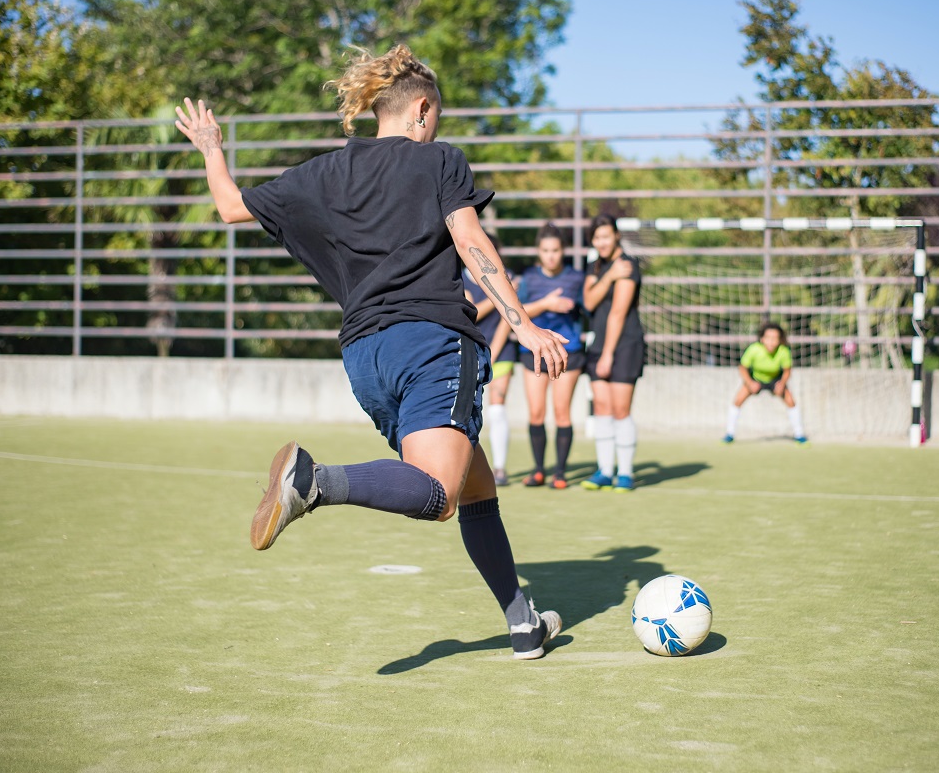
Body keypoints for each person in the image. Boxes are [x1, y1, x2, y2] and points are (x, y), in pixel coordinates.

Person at [173, 45, 566, 660]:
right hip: (432, 342)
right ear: (422, 110)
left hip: (365, 358)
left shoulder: (324, 174)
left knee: (475, 483)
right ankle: (315, 482)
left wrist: (212, 148)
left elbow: (228, 207)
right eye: (436, 117)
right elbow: (469, 239)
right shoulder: (439, 161)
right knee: (438, 492)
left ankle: (523, 622)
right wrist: (525, 324)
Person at [516, 223, 586, 489]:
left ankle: (560, 473)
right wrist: (546, 304)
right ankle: (538, 470)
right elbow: (518, 313)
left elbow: (589, 307)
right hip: (533, 353)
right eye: (546, 250)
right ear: (539, 252)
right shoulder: (530, 278)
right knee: (536, 413)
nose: (551, 255)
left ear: (563, 251)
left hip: (568, 353)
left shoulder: (576, 278)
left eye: (555, 250)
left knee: (562, 413)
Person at [581, 214, 645, 493]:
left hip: (624, 345)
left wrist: (608, 354)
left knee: (620, 410)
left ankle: (626, 473)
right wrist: (608, 276)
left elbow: (618, 313)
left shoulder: (628, 265)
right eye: (597, 237)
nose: (602, 242)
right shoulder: (598, 267)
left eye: (606, 236)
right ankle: (605, 471)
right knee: (602, 409)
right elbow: (589, 301)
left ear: (616, 236)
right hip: (598, 345)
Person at [463, 233, 521, 486]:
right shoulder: (459, 277)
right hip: (471, 351)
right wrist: (500, 294)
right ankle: (464, 468)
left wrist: (494, 350)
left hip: (502, 351)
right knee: (467, 412)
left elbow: (511, 318)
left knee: (497, 408)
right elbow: (470, 314)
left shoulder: (507, 276)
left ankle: (500, 469)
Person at [722, 322, 807, 444]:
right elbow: (742, 367)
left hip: (775, 379)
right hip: (755, 378)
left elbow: (787, 371)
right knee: (738, 400)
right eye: (768, 338)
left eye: (775, 339)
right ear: (762, 339)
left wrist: (782, 384)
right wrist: (750, 383)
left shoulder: (783, 351)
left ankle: (799, 434)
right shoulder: (754, 349)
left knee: (791, 401)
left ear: (780, 340)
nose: (771, 342)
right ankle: (729, 434)